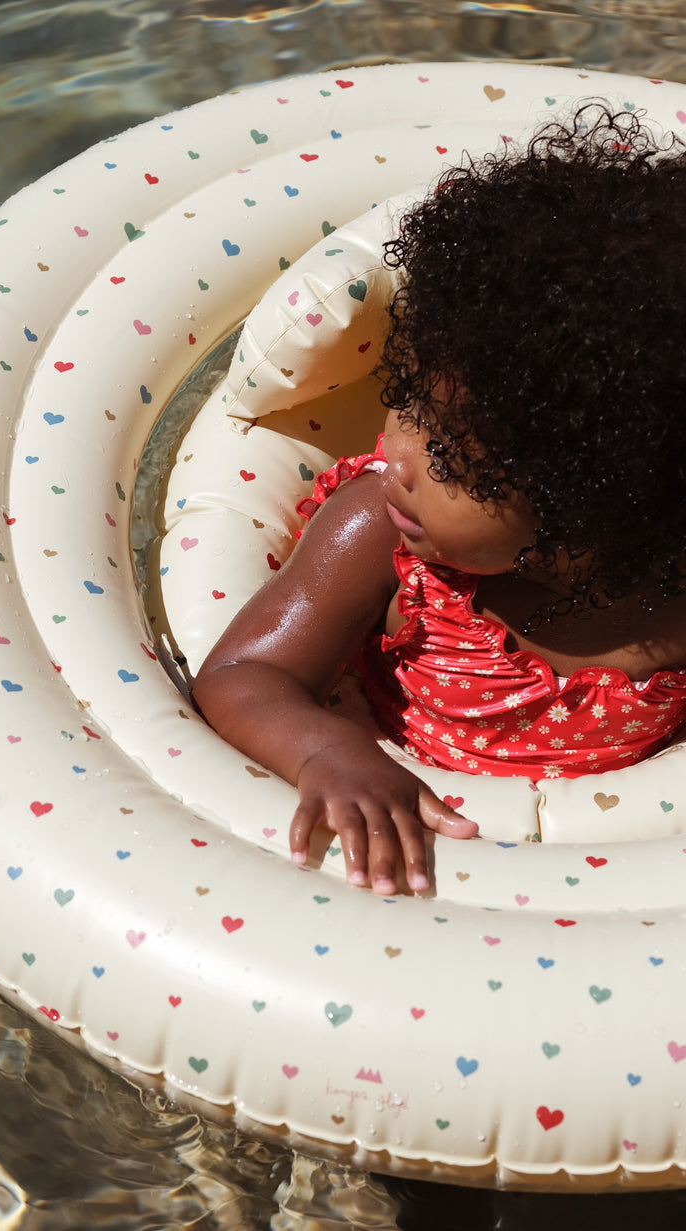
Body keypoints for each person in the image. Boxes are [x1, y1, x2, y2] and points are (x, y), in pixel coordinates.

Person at [192, 103, 686, 897]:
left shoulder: (671, 587)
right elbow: (242, 674)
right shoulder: (375, 537)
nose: (397, 453)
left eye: (451, 454)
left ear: (592, 503)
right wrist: (328, 750)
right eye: (408, 398)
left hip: (601, 896)